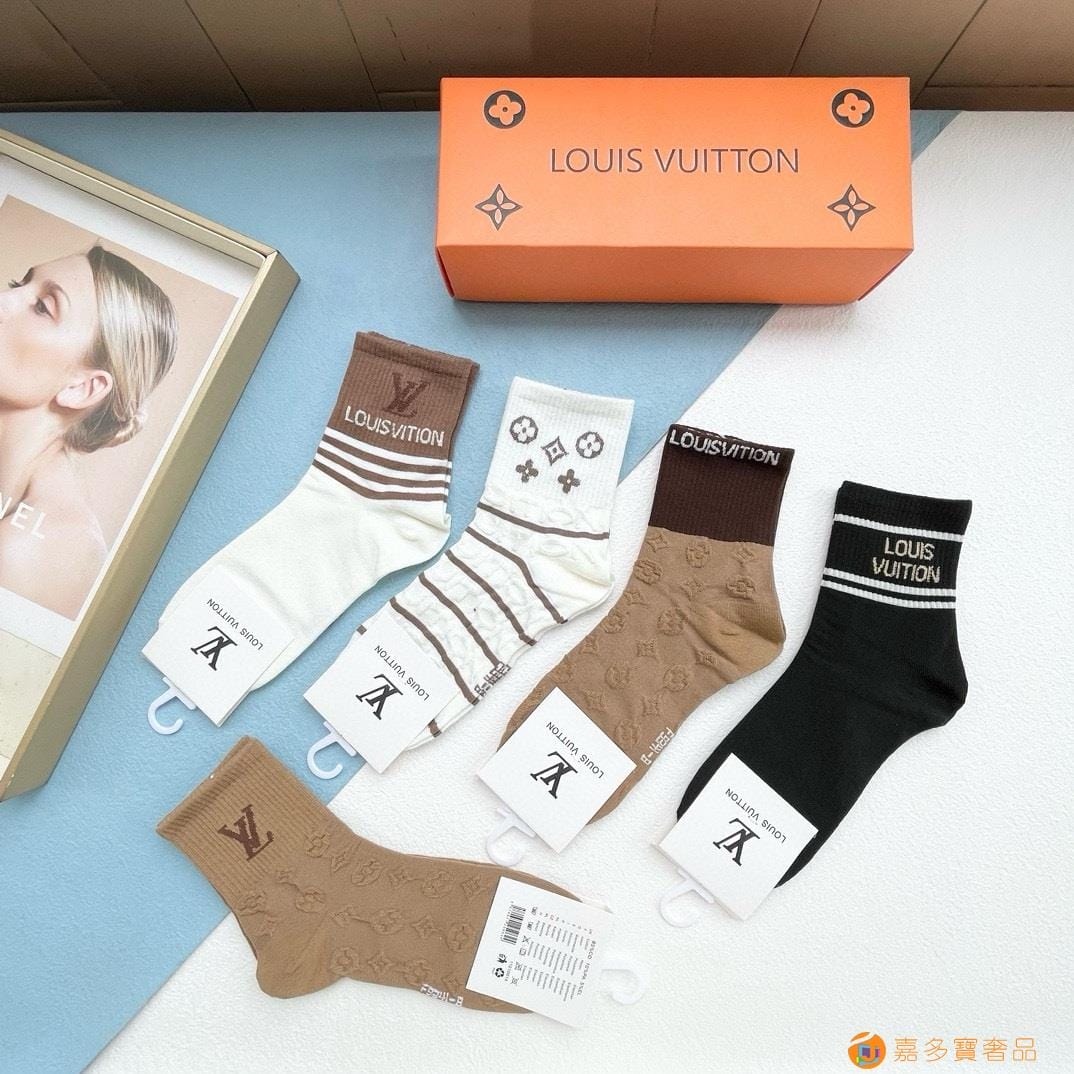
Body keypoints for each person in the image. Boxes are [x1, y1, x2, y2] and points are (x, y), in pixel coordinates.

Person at [0, 244, 177, 618]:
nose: (4, 300)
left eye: (42, 307)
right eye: (18, 284)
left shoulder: (25, 552)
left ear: (82, 387)